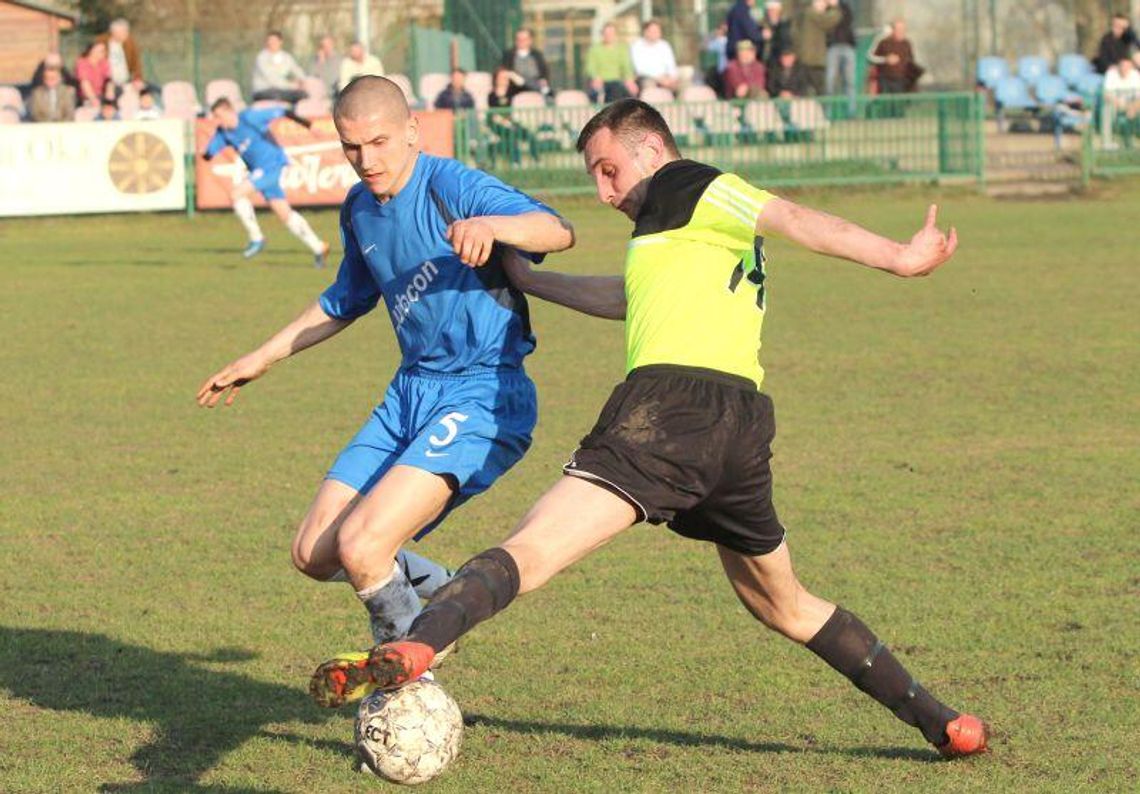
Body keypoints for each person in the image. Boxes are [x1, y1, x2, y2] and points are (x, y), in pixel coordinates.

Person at [308, 97, 990, 763]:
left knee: (533, 549)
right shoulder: (680, 232)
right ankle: (944, 721)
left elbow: (793, 216)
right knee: (784, 605)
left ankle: (415, 645)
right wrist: (532, 282)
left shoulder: (689, 183)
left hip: (666, 414)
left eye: (608, 170)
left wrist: (898, 257)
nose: (605, 193)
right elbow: (627, 298)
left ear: (653, 150)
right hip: (740, 429)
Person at [197, 76, 574, 677]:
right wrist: (259, 358)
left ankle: (408, 682)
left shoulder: (449, 182)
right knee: (315, 553)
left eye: (378, 142)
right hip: (409, 393)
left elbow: (557, 229)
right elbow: (344, 299)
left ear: (411, 132)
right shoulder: (359, 210)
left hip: (481, 391)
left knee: (365, 546)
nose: (366, 160)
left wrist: (494, 227)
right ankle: (447, 593)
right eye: (351, 147)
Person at [202, 98, 330, 265]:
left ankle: (257, 238)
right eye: (215, 117)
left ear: (230, 111)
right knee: (284, 213)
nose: (217, 120)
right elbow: (209, 154)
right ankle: (319, 247)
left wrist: (309, 125)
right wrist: (204, 153)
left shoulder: (249, 118)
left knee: (236, 194)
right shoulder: (223, 133)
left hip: (272, 164)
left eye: (219, 116)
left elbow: (283, 111)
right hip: (260, 171)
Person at [794, 0, 841, 97]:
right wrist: (834, 7)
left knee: (807, 91)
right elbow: (831, 19)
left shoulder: (805, 14)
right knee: (821, 92)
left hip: (807, 59)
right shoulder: (812, 14)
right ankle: (824, 111)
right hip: (813, 61)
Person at [585, 22, 639, 103]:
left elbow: (626, 66)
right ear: (602, 34)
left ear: (615, 34)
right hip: (601, 81)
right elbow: (590, 67)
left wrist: (629, 79)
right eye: (606, 33)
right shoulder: (594, 49)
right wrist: (595, 77)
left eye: (611, 33)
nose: (609, 36)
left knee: (628, 90)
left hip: (618, 81)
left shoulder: (622, 48)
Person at [251, 31, 307, 103]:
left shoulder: (286, 57)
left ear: (280, 42)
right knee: (277, 95)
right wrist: (293, 85)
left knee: (303, 95)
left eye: (274, 41)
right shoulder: (262, 58)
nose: (271, 43)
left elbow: (296, 70)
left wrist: (303, 81)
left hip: (281, 90)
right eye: (269, 41)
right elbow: (273, 79)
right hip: (263, 91)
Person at [871, 19, 923, 94]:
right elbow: (870, 57)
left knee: (899, 103)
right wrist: (885, 59)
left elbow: (910, 61)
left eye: (903, 29)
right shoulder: (883, 42)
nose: (901, 32)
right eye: (898, 29)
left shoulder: (907, 43)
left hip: (901, 81)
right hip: (885, 80)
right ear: (893, 30)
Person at [97, 18, 145, 96]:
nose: (126, 34)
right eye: (123, 32)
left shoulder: (129, 42)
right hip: (108, 84)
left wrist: (137, 79)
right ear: (114, 33)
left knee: (153, 89)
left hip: (126, 81)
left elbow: (136, 63)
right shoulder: (101, 42)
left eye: (126, 31)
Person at [630, 19, 679, 93]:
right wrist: (659, 78)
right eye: (653, 31)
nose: (656, 33)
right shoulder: (636, 46)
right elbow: (640, 69)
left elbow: (671, 65)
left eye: (658, 31)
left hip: (666, 77)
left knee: (685, 80)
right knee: (648, 84)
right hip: (647, 78)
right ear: (645, 32)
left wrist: (672, 78)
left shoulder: (665, 45)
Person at [826, 0, 857, 112]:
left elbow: (847, 20)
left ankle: (851, 111)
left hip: (847, 46)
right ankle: (828, 112)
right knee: (830, 82)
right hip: (832, 47)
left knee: (849, 82)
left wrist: (835, 7)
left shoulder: (845, 7)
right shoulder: (824, 9)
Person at [500, 28, 551, 97]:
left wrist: (543, 80)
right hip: (515, 86)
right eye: (518, 39)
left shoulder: (537, 55)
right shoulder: (509, 55)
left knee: (545, 90)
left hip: (535, 83)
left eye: (524, 39)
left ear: (530, 40)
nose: (521, 42)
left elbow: (544, 72)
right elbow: (504, 71)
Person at [76, 41, 113, 106]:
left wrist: (110, 90)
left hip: (101, 93)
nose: (105, 53)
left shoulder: (104, 61)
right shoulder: (82, 63)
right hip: (87, 96)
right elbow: (85, 83)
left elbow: (108, 78)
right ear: (92, 51)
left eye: (105, 50)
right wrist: (93, 99)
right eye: (102, 51)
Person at [759, 1, 794, 69]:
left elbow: (786, 42)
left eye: (774, 10)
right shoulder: (762, 25)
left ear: (779, 11)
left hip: (779, 60)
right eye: (770, 10)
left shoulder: (785, 25)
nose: (772, 13)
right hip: (764, 60)